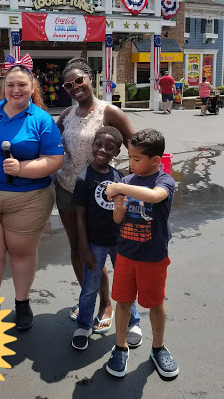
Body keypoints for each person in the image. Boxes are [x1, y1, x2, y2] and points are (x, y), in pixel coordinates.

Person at [0, 54, 64, 330]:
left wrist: (21, 169)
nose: (16, 90)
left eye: (22, 85)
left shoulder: (41, 119)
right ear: (3, 87)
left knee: (21, 253)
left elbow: (55, 160)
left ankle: (22, 303)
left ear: (32, 88)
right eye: (10, 85)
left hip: (27, 200)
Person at [55, 58, 142, 348]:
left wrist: (129, 187)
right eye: (68, 84)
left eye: (79, 80)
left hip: (103, 195)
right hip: (68, 189)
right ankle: (88, 300)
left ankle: (107, 303)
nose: (74, 87)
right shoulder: (67, 114)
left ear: (90, 78)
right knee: (79, 249)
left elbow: (136, 148)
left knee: (100, 247)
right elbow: (49, 143)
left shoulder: (110, 112)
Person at [105, 128, 179, 378]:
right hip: (125, 255)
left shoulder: (164, 181)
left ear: (156, 160)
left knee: (155, 304)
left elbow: (155, 197)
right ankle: (120, 346)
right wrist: (118, 203)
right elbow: (117, 220)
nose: (131, 163)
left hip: (153, 257)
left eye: (137, 159)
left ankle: (158, 348)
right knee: (123, 302)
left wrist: (118, 187)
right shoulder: (126, 182)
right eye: (130, 158)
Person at [71, 126, 124, 350]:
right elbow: (80, 217)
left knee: (125, 285)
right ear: (92, 146)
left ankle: (132, 322)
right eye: (99, 145)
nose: (103, 150)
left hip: (119, 242)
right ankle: (83, 325)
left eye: (109, 148)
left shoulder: (119, 176)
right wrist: (84, 247)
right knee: (90, 288)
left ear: (116, 152)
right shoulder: (84, 179)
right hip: (95, 244)